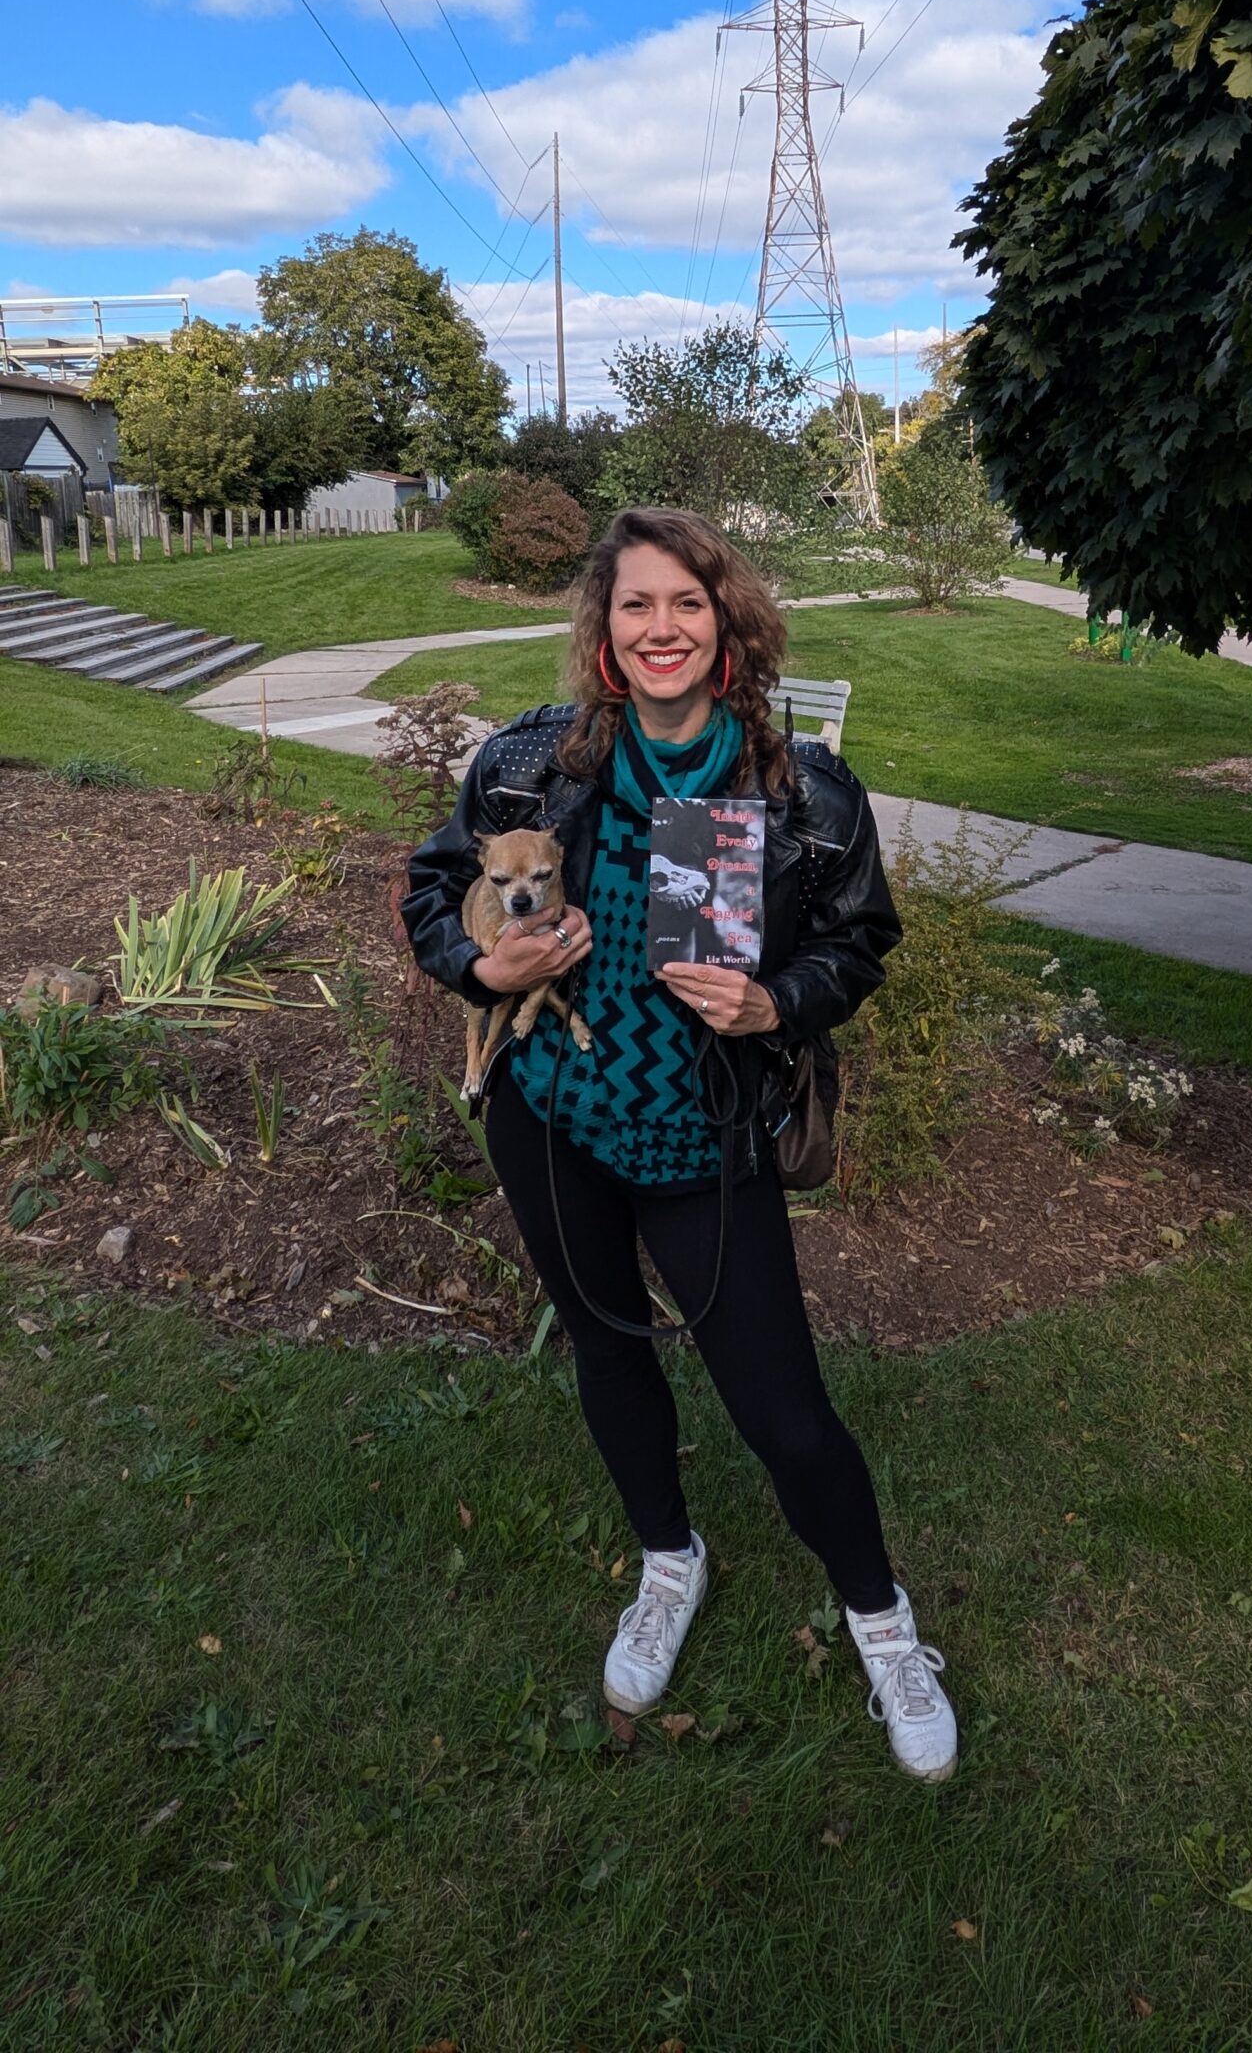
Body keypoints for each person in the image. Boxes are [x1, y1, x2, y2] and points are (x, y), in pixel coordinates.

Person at [402, 506, 958, 1782]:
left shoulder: (799, 787)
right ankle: (669, 1557)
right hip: (553, 1123)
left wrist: (776, 1003)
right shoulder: (527, 766)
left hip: (705, 1135)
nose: (662, 628)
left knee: (784, 1411)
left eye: (688, 604)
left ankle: (881, 1621)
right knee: (606, 1348)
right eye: (636, 604)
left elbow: (859, 941)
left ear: (729, 625)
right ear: (604, 628)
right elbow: (432, 885)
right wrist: (479, 962)